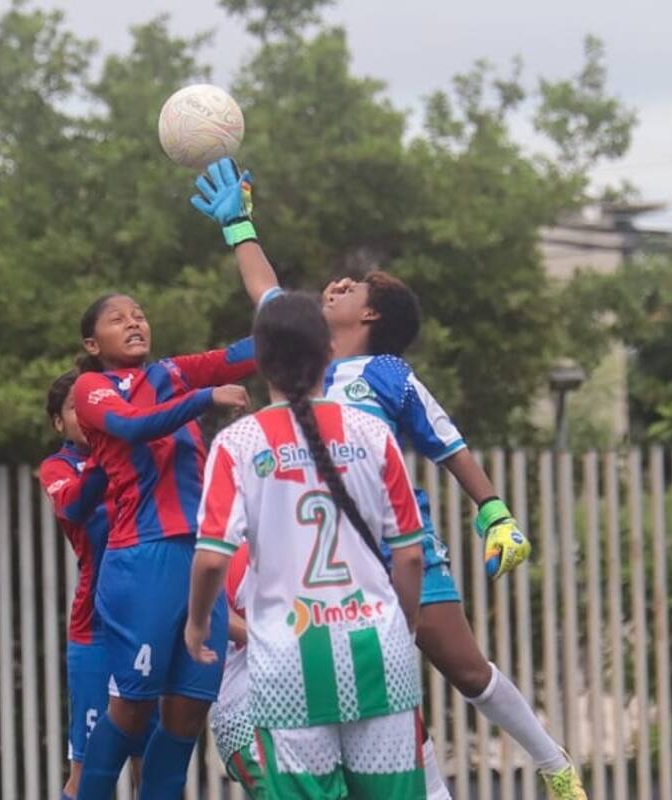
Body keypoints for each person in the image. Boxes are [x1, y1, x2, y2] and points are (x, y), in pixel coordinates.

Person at [193, 155, 586, 799]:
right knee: (360, 702)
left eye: (354, 286)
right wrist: (239, 225)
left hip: (398, 551)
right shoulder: (302, 354)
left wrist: (494, 512)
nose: (338, 285)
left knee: (464, 669)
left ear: (372, 318)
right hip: (321, 570)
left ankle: (553, 763)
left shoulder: (387, 376)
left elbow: (450, 444)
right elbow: (266, 294)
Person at [73, 195, 281, 798]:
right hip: (142, 559)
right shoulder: (94, 388)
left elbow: (253, 350)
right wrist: (204, 400)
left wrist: (284, 311)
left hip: (199, 561)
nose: (135, 321)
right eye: (118, 318)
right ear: (92, 344)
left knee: (188, 714)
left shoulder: (174, 371)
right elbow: (138, 429)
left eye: (139, 314)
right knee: (134, 710)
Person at [186, 292, 427, 799]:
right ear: (328, 351)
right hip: (378, 652)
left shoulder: (237, 444)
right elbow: (408, 554)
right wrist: (398, 626)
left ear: (262, 361)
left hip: (289, 665)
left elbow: (211, 559)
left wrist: (197, 623)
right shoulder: (371, 433)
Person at [40, 369, 151, 800]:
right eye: (74, 408)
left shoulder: (139, 455)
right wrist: (109, 450)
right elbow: (74, 504)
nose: (86, 414)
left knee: (156, 771)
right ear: (58, 423)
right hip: (96, 627)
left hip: (150, 622)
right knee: (87, 776)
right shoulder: (58, 468)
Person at [209, 544, 257, 795]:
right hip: (249, 714)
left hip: (324, 710)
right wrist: (273, 638)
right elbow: (213, 612)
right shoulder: (235, 550)